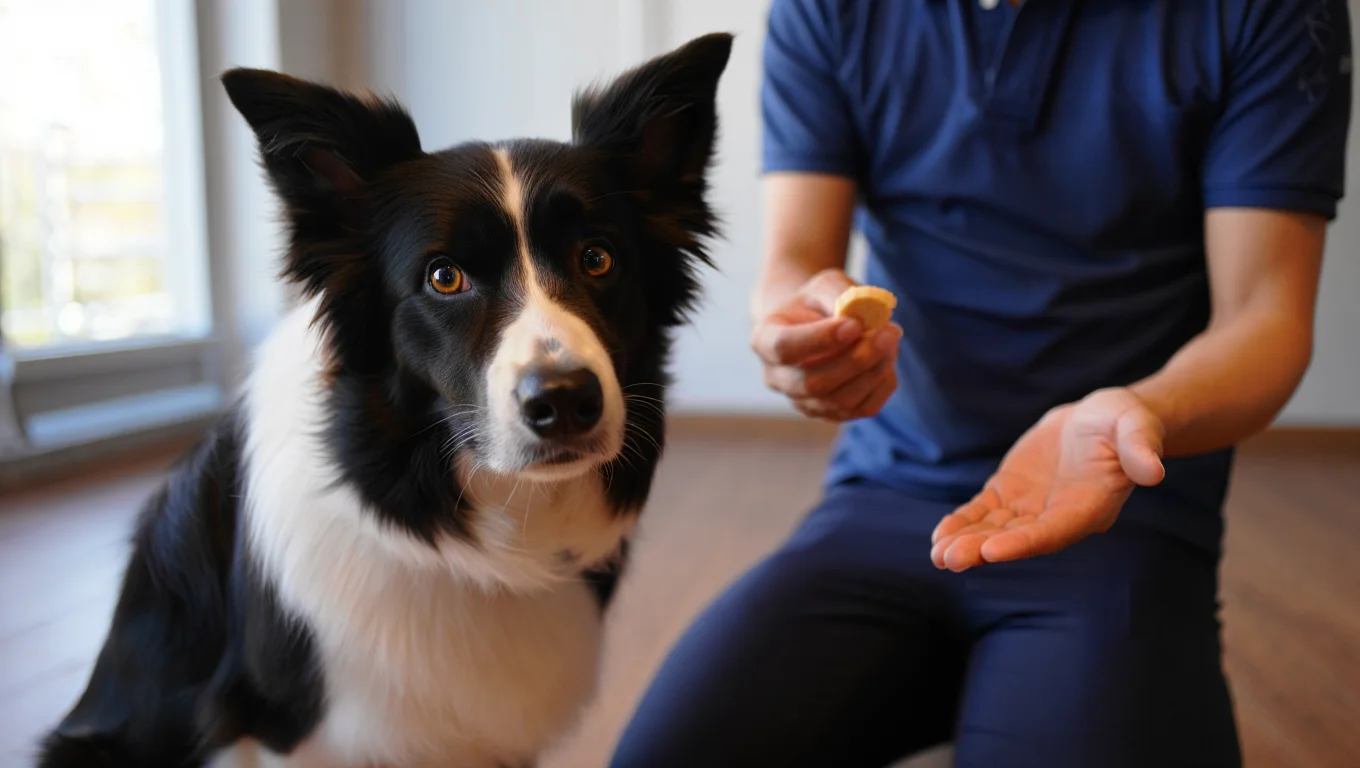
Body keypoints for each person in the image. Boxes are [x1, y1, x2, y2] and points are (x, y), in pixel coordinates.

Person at [609, 0, 1353, 766]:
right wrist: (794, 332)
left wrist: (1141, 412)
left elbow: (1266, 318)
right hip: (884, 503)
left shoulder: (1272, 14)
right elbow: (794, 266)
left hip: (1119, 518)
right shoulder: (826, 11)